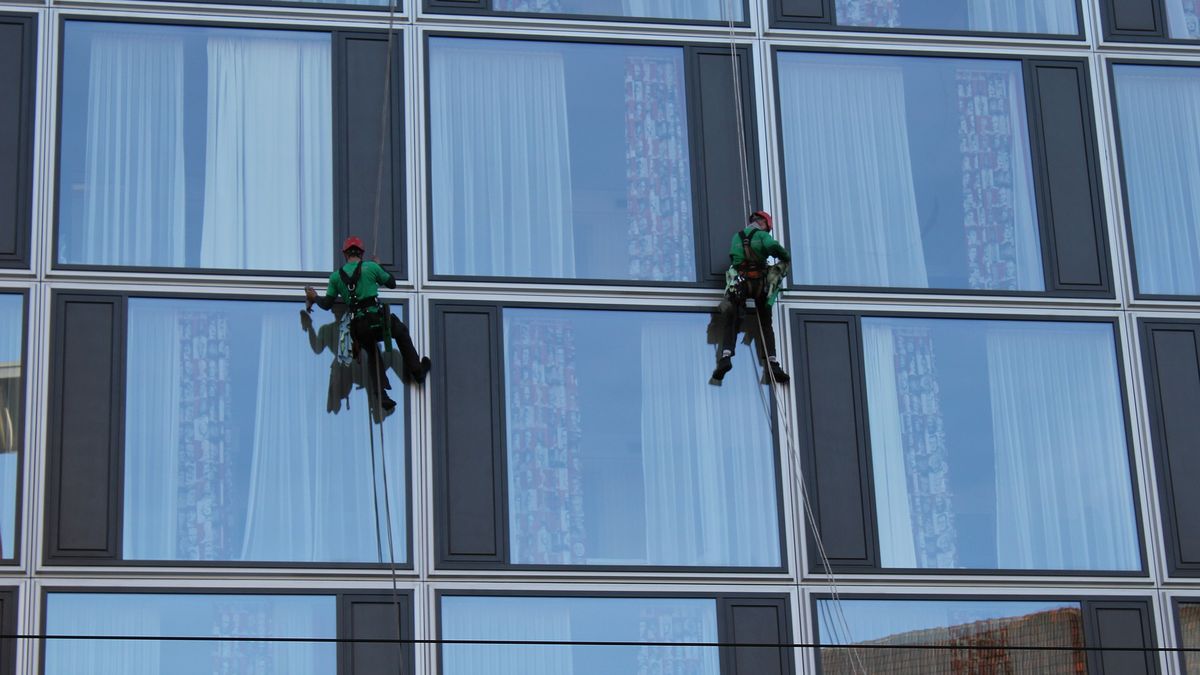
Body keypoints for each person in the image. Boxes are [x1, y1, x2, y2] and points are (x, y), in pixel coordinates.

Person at [305, 236, 430, 415]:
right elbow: (392, 284)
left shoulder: (336, 277)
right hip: (376, 319)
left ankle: (382, 396)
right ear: (361, 253)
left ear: (345, 254)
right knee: (400, 331)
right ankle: (417, 371)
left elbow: (326, 304)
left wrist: (314, 297)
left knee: (372, 353)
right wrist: (378, 266)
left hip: (358, 327)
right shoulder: (371, 267)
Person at [712, 211, 790, 384]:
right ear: (763, 223)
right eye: (767, 228)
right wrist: (785, 258)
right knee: (765, 322)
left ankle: (725, 357)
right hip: (759, 283)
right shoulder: (762, 236)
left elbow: (733, 257)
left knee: (732, 320)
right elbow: (774, 248)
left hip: (740, 283)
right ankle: (772, 364)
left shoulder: (736, 237)